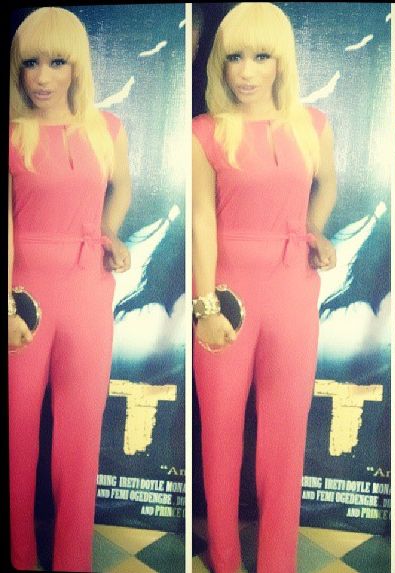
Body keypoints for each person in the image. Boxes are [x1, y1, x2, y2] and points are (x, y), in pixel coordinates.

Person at [191, 3, 336, 572]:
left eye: (260, 56)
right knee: (221, 432)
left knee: (285, 434)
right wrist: (206, 303)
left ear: (282, 62)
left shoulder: (313, 126)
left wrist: (315, 229)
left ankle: (279, 561)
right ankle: (224, 558)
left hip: (293, 290)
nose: (246, 71)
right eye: (234, 57)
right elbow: (203, 220)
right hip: (226, 292)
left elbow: (326, 185)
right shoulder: (204, 132)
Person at [8, 7, 131, 571]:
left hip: (89, 287)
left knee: (81, 430)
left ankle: (72, 558)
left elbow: (121, 187)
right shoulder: (12, 135)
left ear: (77, 66)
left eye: (56, 62)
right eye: (30, 63)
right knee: (16, 430)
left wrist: (109, 232)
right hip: (23, 291)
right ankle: (19, 552)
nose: (41, 77)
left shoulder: (107, 129)